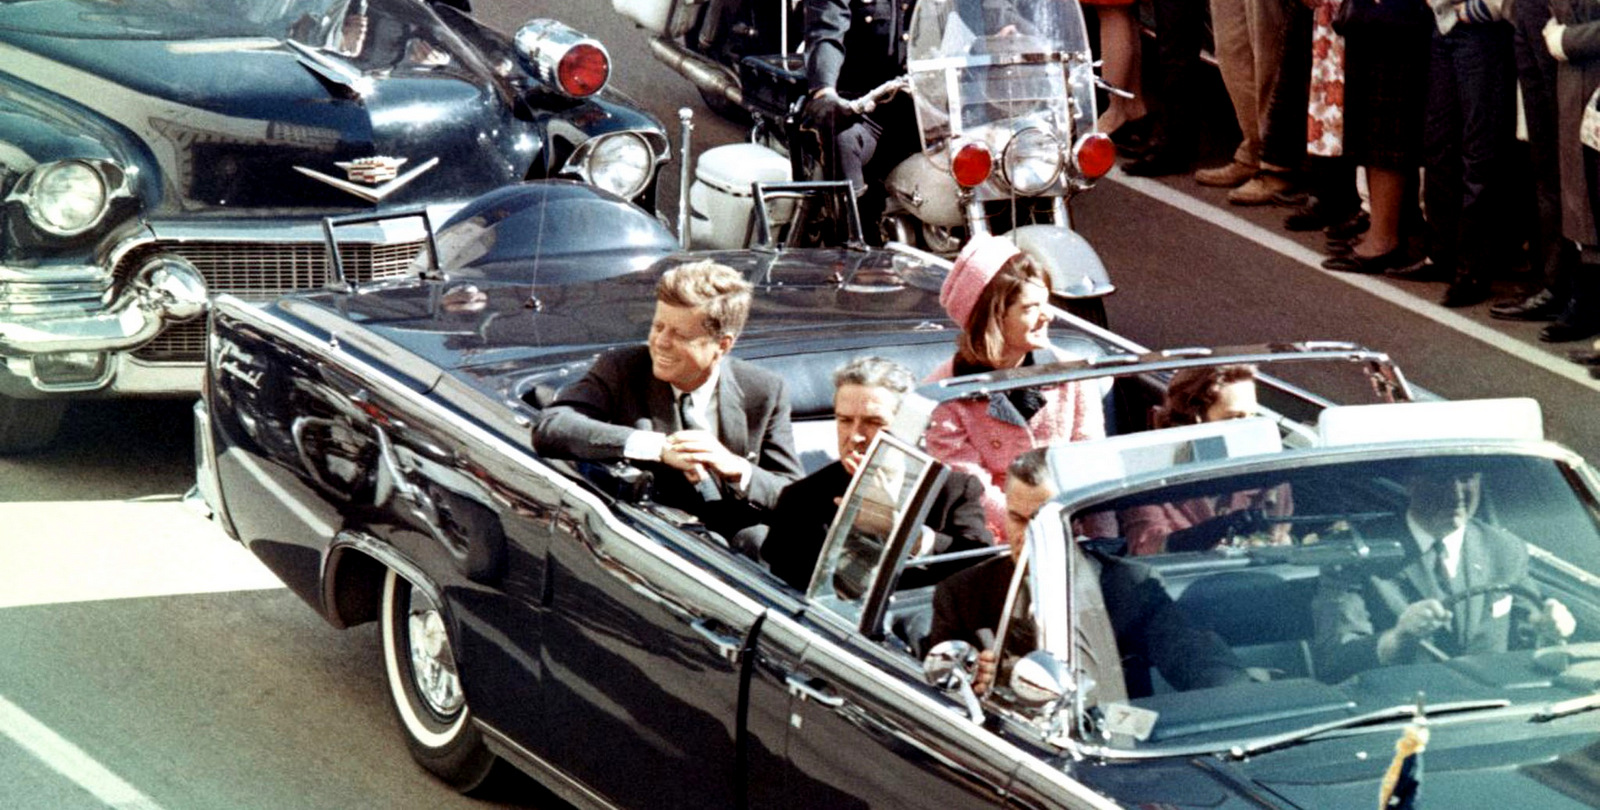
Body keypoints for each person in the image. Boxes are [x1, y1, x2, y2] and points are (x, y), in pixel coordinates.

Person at [928, 449, 1251, 696]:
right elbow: (943, 690)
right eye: (1017, 518)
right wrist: (974, 683)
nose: (1027, 536)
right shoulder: (961, 594)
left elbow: (1194, 657)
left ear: (1078, 522)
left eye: (1042, 522)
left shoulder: (1129, 587)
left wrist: (1236, 691)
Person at [533, 260, 804, 542]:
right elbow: (552, 427)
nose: (661, 342)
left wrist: (738, 469)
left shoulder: (763, 390)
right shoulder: (623, 369)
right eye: (658, 326)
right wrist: (657, 447)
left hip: (732, 554)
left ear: (722, 345)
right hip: (649, 540)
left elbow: (794, 495)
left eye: (680, 335)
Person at [1311, 468, 1576, 683]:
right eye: (1440, 479)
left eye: (1466, 478)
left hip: (1492, 712)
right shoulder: (1355, 554)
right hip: (1397, 717)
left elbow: (1528, 633)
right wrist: (1398, 638)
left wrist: (1551, 629)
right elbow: (1334, 659)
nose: (1457, 493)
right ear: (1409, 482)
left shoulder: (1503, 549)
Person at [923, 235, 1106, 539]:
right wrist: (1035, 532)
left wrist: (1103, 546)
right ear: (993, 317)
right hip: (995, 539)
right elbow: (971, 489)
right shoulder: (945, 393)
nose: (1048, 315)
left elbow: (1090, 464)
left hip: (1074, 525)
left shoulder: (1071, 373)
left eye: (1046, 302)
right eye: (1031, 307)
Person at [762, 357, 993, 591]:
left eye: (873, 422)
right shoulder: (800, 500)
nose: (855, 436)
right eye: (845, 420)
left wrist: (901, 531)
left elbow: (979, 568)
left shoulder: (952, 489)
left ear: (908, 426)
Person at [1118, 365, 1294, 555]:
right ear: (1195, 418)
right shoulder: (1148, 473)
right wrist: (1209, 532)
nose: (1249, 427)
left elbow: (1280, 541)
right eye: (1235, 417)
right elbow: (1147, 546)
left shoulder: (1269, 478)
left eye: (1252, 416)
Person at [803, 0, 920, 240]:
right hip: (863, 109)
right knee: (844, 140)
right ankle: (857, 242)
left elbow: (977, 12)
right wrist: (824, 90)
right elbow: (827, 31)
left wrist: (1006, 32)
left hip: (922, 109)